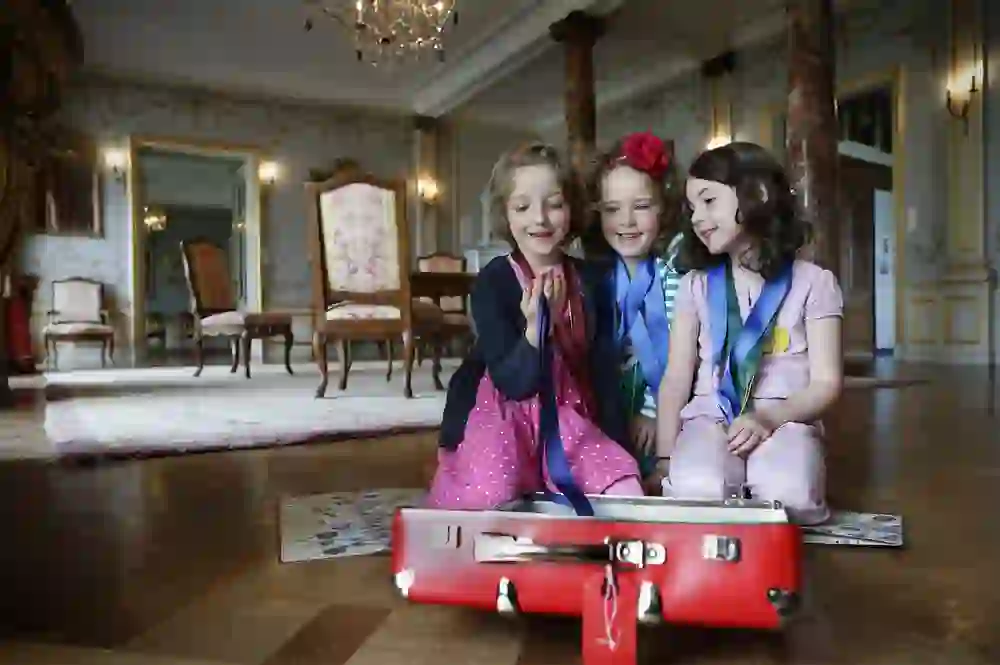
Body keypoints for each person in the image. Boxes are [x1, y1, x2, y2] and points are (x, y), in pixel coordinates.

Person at [427, 142, 643, 509]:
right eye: (522, 207)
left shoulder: (592, 278)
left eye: (554, 204)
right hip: (503, 415)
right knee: (490, 498)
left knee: (624, 492)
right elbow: (515, 383)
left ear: (571, 208)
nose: (539, 219)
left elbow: (603, 372)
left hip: (569, 417)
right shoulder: (492, 283)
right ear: (505, 215)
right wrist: (534, 329)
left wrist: (620, 448)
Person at [655, 142, 843, 524]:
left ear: (756, 195)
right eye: (692, 209)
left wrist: (770, 419)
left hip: (785, 417)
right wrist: (664, 457)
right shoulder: (695, 286)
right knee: (696, 491)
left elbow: (827, 383)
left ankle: (764, 477)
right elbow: (676, 378)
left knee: (790, 498)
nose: (696, 218)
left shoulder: (815, 283)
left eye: (709, 201)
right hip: (712, 416)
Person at [589, 132, 684, 492]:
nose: (626, 221)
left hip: (664, 397)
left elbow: (677, 354)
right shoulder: (598, 275)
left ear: (665, 208)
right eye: (612, 209)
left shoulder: (674, 273)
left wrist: (652, 411)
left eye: (642, 206)